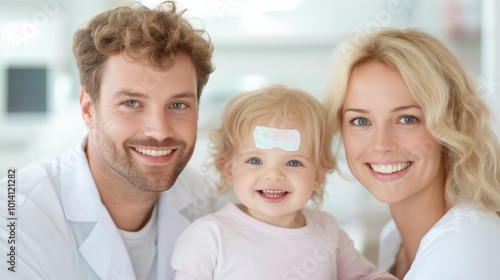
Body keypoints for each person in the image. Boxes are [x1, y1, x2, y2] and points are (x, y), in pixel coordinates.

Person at [0, 1, 215, 279]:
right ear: (89, 110)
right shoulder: (14, 218)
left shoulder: (211, 203)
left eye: (178, 106)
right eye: (131, 103)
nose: (160, 131)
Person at [324, 28, 500, 279]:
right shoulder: (394, 238)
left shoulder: (466, 245)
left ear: (452, 123)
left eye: (407, 119)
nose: (381, 144)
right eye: (361, 121)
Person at [171, 85, 397, 280]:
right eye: (255, 160)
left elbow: (363, 276)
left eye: (293, 163)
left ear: (318, 175)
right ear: (229, 170)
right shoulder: (209, 236)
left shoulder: (328, 231)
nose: (274, 175)